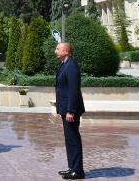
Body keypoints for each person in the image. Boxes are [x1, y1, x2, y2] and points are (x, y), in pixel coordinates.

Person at [55, 42, 85, 179]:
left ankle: (78, 171)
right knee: (69, 139)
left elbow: (73, 90)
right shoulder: (64, 64)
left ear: (66, 51)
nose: (55, 50)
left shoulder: (71, 65)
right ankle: (72, 167)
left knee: (73, 139)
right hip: (65, 109)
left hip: (70, 110)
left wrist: (71, 111)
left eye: (58, 48)